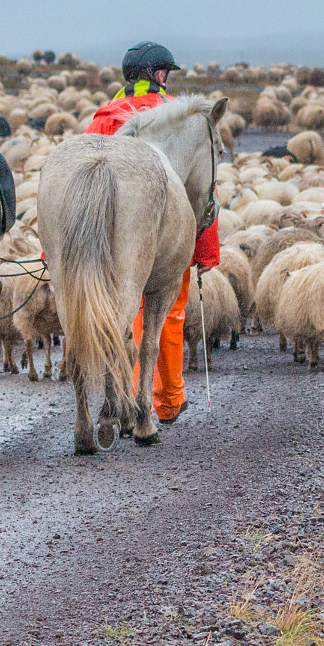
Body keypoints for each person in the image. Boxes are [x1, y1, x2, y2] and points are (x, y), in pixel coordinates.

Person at [85, 41, 221, 424]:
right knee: (169, 313)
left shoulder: (105, 118)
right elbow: (203, 189)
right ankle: (167, 399)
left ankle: (124, 394)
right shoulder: (178, 116)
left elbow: (83, 181)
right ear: (161, 75)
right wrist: (205, 249)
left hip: (108, 236)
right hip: (169, 233)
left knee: (121, 310)